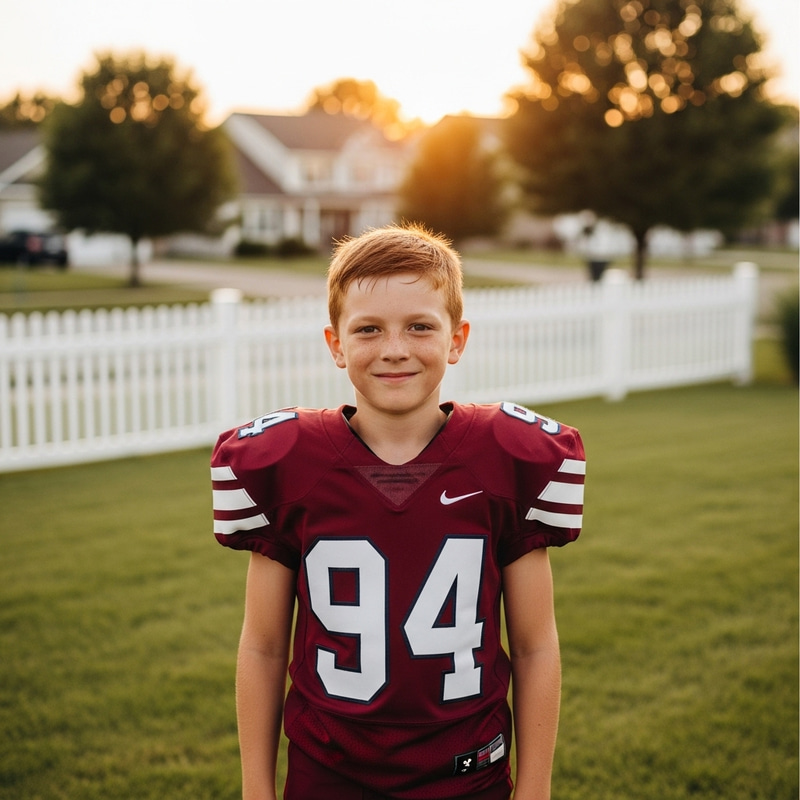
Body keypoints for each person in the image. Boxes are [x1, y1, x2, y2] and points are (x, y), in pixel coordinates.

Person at [210, 223, 586, 800]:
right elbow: (262, 645)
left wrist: (534, 789)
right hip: (328, 774)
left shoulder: (503, 459)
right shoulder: (292, 464)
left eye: (419, 326)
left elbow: (536, 644)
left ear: (456, 339)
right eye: (368, 329)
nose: (394, 348)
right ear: (335, 344)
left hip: (468, 772)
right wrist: (256, 789)